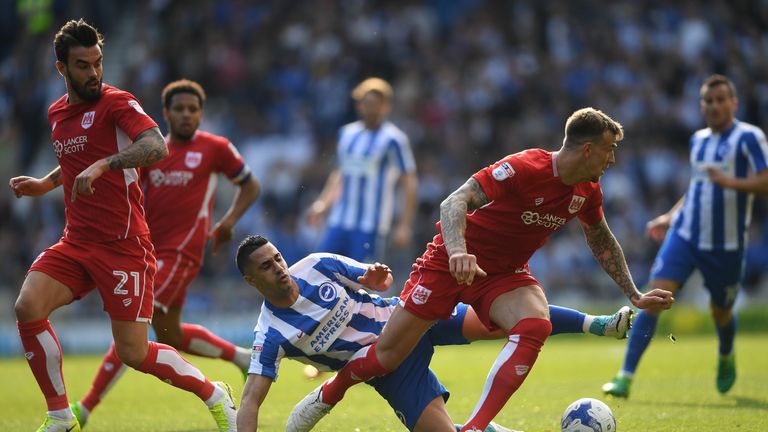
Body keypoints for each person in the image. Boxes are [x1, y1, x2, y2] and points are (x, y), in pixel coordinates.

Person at [287, 108, 676, 432]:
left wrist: (634, 293)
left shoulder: (587, 191)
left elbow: (601, 240)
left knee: (534, 323)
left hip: (502, 275)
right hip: (447, 264)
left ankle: (474, 428)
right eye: (609, 151)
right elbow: (453, 203)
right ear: (588, 149)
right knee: (385, 358)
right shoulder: (525, 167)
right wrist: (457, 252)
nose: (613, 160)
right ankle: (330, 393)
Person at [8, 20, 236, 432]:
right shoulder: (56, 112)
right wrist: (47, 182)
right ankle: (60, 415)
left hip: (124, 245)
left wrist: (107, 164)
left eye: (97, 63)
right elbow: (74, 158)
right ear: (62, 69)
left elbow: (155, 145)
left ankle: (215, 393)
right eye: (82, 65)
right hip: (76, 241)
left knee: (134, 352)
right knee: (28, 306)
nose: (94, 73)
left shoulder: (117, 103)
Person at [233, 235, 634, 432]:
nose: (279, 267)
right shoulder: (270, 335)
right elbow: (251, 399)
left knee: (499, 320)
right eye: (266, 267)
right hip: (390, 372)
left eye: (278, 258)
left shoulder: (317, 265)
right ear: (252, 282)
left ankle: (596, 324)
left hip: (410, 318)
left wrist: (374, 276)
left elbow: (372, 276)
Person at [69, 79, 261, 426]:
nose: (187, 115)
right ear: (166, 114)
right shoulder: (151, 152)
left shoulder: (216, 148)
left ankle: (83, 409)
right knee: (170, 333)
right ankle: (242, 358)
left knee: (131, 329)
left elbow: (251, 184)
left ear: (201, 113)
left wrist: (228, 221)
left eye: (193, 109)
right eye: (179, 109)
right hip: (147, 254)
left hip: (182, 254)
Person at [602, 74, 768, 398]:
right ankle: (625, 375)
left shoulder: (749, 138)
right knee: (654, 297)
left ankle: (725, 354)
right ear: (702, 105)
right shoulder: (699, 140)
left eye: (722, 100)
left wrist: (730, 183)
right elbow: (697, 187)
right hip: (686, 235)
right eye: (709, 100)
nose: (715, 106)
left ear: (733, 103)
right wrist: (670, 216)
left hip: (726, 245)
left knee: (721, 312)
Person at [306, 77, 418, 263]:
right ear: (359, 105)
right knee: (320, 268)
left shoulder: (394, 139)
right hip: (339, 220)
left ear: (386, 107)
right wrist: (323, 204)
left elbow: (409, 181)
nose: (371, 108)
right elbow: (340, 174)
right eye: (367, 103)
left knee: (361, 280)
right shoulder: (347, 134)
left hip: (371, 225)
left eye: (376, 103)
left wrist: (404, 224)